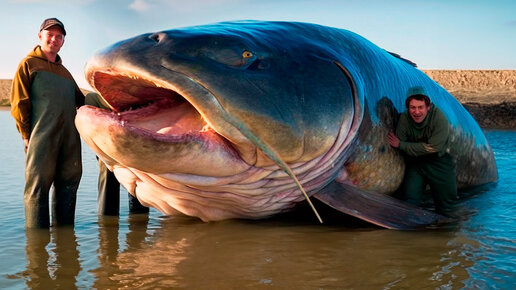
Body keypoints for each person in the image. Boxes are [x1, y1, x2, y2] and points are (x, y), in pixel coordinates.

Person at [10, 18, 84, 228]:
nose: (54, 39)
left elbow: (82, 103)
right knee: (37, 188)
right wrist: (26, 135)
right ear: (40, 36)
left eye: (59, 36)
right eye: (50, 34)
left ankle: (65, 239)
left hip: (69, 141)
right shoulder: (28, 64)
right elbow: (19, 103)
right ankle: (37, 247)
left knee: (69, 184)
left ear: (63, 41)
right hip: (41, 137)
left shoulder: (66, 73)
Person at [387, 86, 457, 214]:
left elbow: (434, 147)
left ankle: (448, 232)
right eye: (413, 108)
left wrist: (402, 145)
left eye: (420, 107)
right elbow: (399, 140)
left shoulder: (439, 118)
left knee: (447, 207)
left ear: (428, 107)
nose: (417, 112)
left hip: (439, 162)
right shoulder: (404, 118)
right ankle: (411, 232)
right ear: (408, 108)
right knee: (409, 203)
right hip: (416, 163)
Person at [85, 93, 149, 216]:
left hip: (113, 149)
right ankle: (138, 224)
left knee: (110, 188)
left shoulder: (93, 98)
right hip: (127, 149)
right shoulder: (137, 96)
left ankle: (107, 225)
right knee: (135, 185)